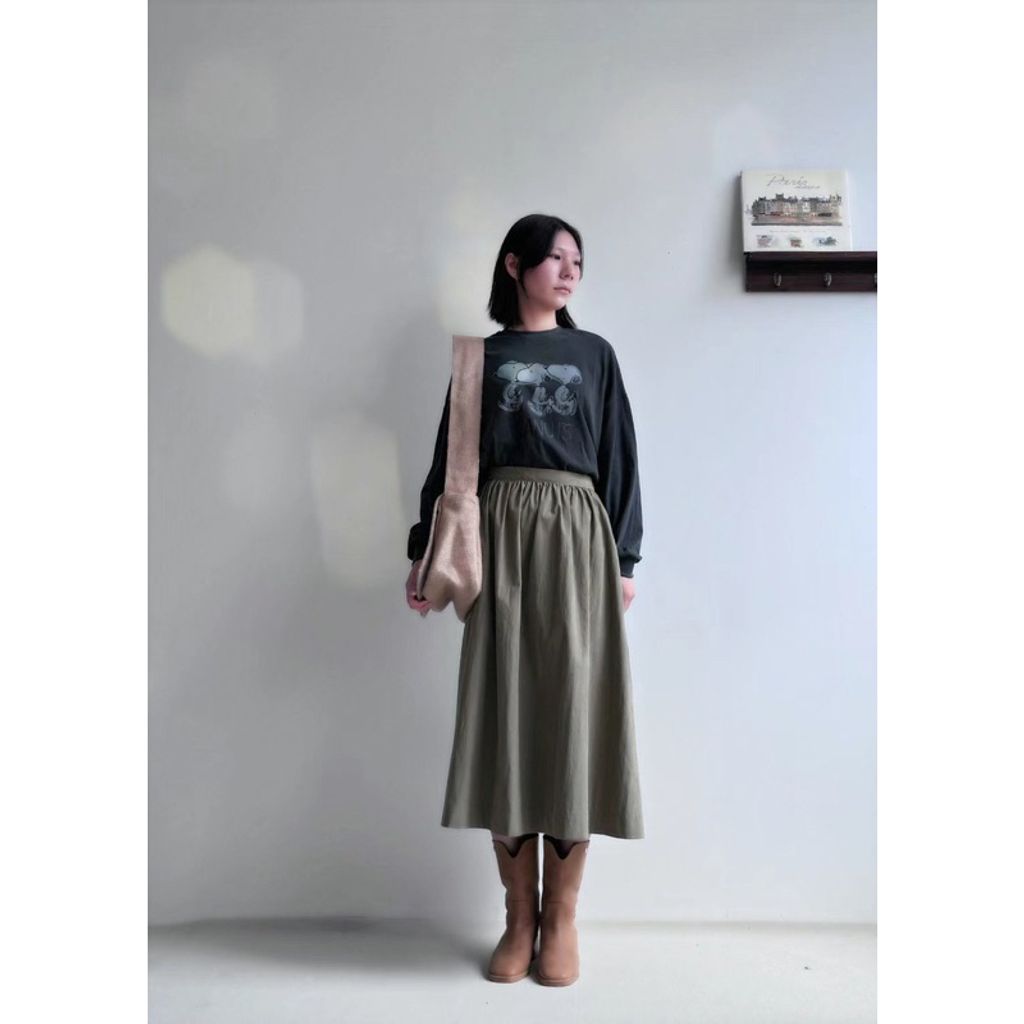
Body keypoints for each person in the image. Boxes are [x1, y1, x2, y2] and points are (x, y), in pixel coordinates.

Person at [404, 213, 644, 986]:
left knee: (571, 713)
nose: (569, 272)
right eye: (555, 259)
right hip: (499, 536)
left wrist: (624, 558)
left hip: (578, 536)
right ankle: (519, 918)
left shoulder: (594, 354)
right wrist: (423, 552)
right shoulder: (482, 358)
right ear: (515, 265)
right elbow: (451, 463)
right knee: (506, 711)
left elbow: (619, 456)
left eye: (578, 261)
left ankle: (562, 919)